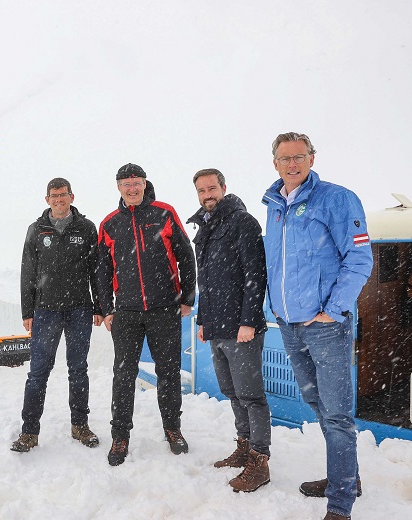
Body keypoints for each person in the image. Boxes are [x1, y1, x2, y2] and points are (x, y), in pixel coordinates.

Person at [262, 133, 373, 520]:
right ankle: (347, 477)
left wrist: (334, 310)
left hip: (326, 326)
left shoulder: (337, 198)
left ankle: (340, 504)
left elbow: (359, 258)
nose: (292, 163)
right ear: (274, 162)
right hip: (290, 324)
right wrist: (274, 308)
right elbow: (275, 265)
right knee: (318, 404)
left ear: (312, 158)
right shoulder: (275, 206)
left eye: (299, 156)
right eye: (284, 158)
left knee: (338, 414)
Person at [97, 163, 196, 466]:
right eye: (126, 184)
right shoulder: (110, 223)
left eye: (136, 182)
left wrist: (187, 298)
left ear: (144, 183)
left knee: (169, 372)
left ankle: (173, 429)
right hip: (126, 312)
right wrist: (106, 309)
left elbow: (185, 255)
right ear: (118, 187)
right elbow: (102, 270)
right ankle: (120, 435)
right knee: (123, 375)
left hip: (164, 308)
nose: (132, 188)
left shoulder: (164, 213)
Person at [187, 168, 271, 493]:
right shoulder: (205, 229)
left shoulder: (242, 222)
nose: (207, 195)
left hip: (241, 329)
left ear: (223, 187)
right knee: (232, 391)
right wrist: (202, 321)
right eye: (201, 191)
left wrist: (248, 322)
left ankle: (259, 462)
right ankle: (244, 446)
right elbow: (205, 281)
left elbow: (255, 275)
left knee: (251, 395)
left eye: (212, 188)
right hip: (217, 328)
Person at [11, 178, 103, 453]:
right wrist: (28, 311)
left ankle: (80, 426)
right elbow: (27, 272)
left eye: (63, 195)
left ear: (72, 197)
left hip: (79, 310)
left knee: (78, 370)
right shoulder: (37, 230)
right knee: (38, 373)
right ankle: (29, 432)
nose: (59, 199)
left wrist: (99, 306)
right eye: (54, 195)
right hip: (45, 311)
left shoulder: (86, 228)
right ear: (47, 199)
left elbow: (96, 270)